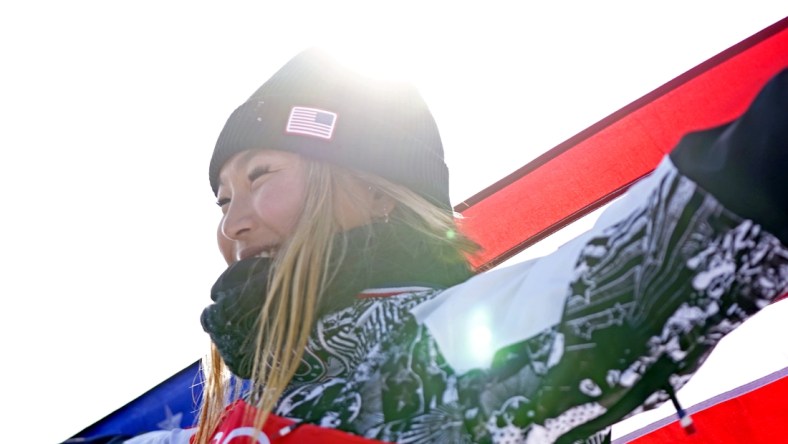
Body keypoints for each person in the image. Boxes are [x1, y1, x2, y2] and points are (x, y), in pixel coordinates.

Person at [127, 49, 787, 444]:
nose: (233, 223)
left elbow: (656, 259)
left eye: (259, 176)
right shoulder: (206, 425)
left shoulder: (458, 349)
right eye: (221, 199)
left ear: (377, 192)